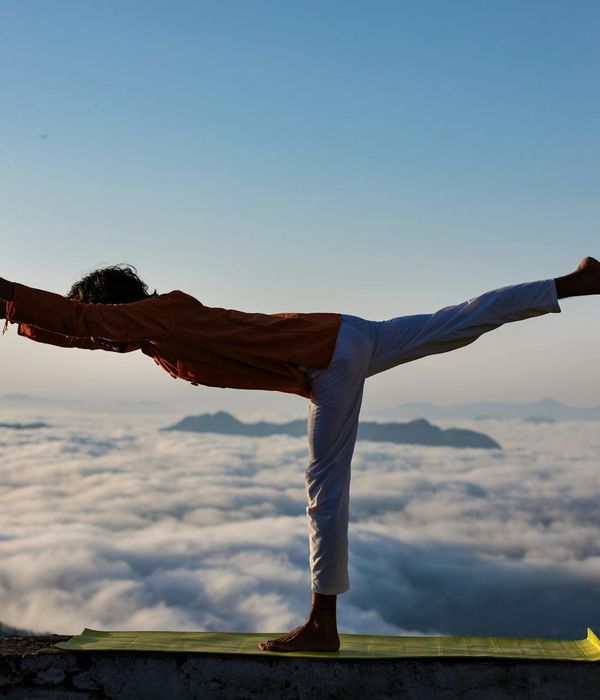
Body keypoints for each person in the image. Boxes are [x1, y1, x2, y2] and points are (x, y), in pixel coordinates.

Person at [1, 257, 599, 652]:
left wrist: (7, 295)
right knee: (459, 320)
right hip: (348, 336)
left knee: (324, 485)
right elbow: (84, 330)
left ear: (118, 308)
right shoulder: (154, 336)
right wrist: (21, 323)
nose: (106, 339)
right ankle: (576, 282)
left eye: (105, 324)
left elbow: (82, 320)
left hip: (329, 361)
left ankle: (323, 624)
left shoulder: (162, 315)